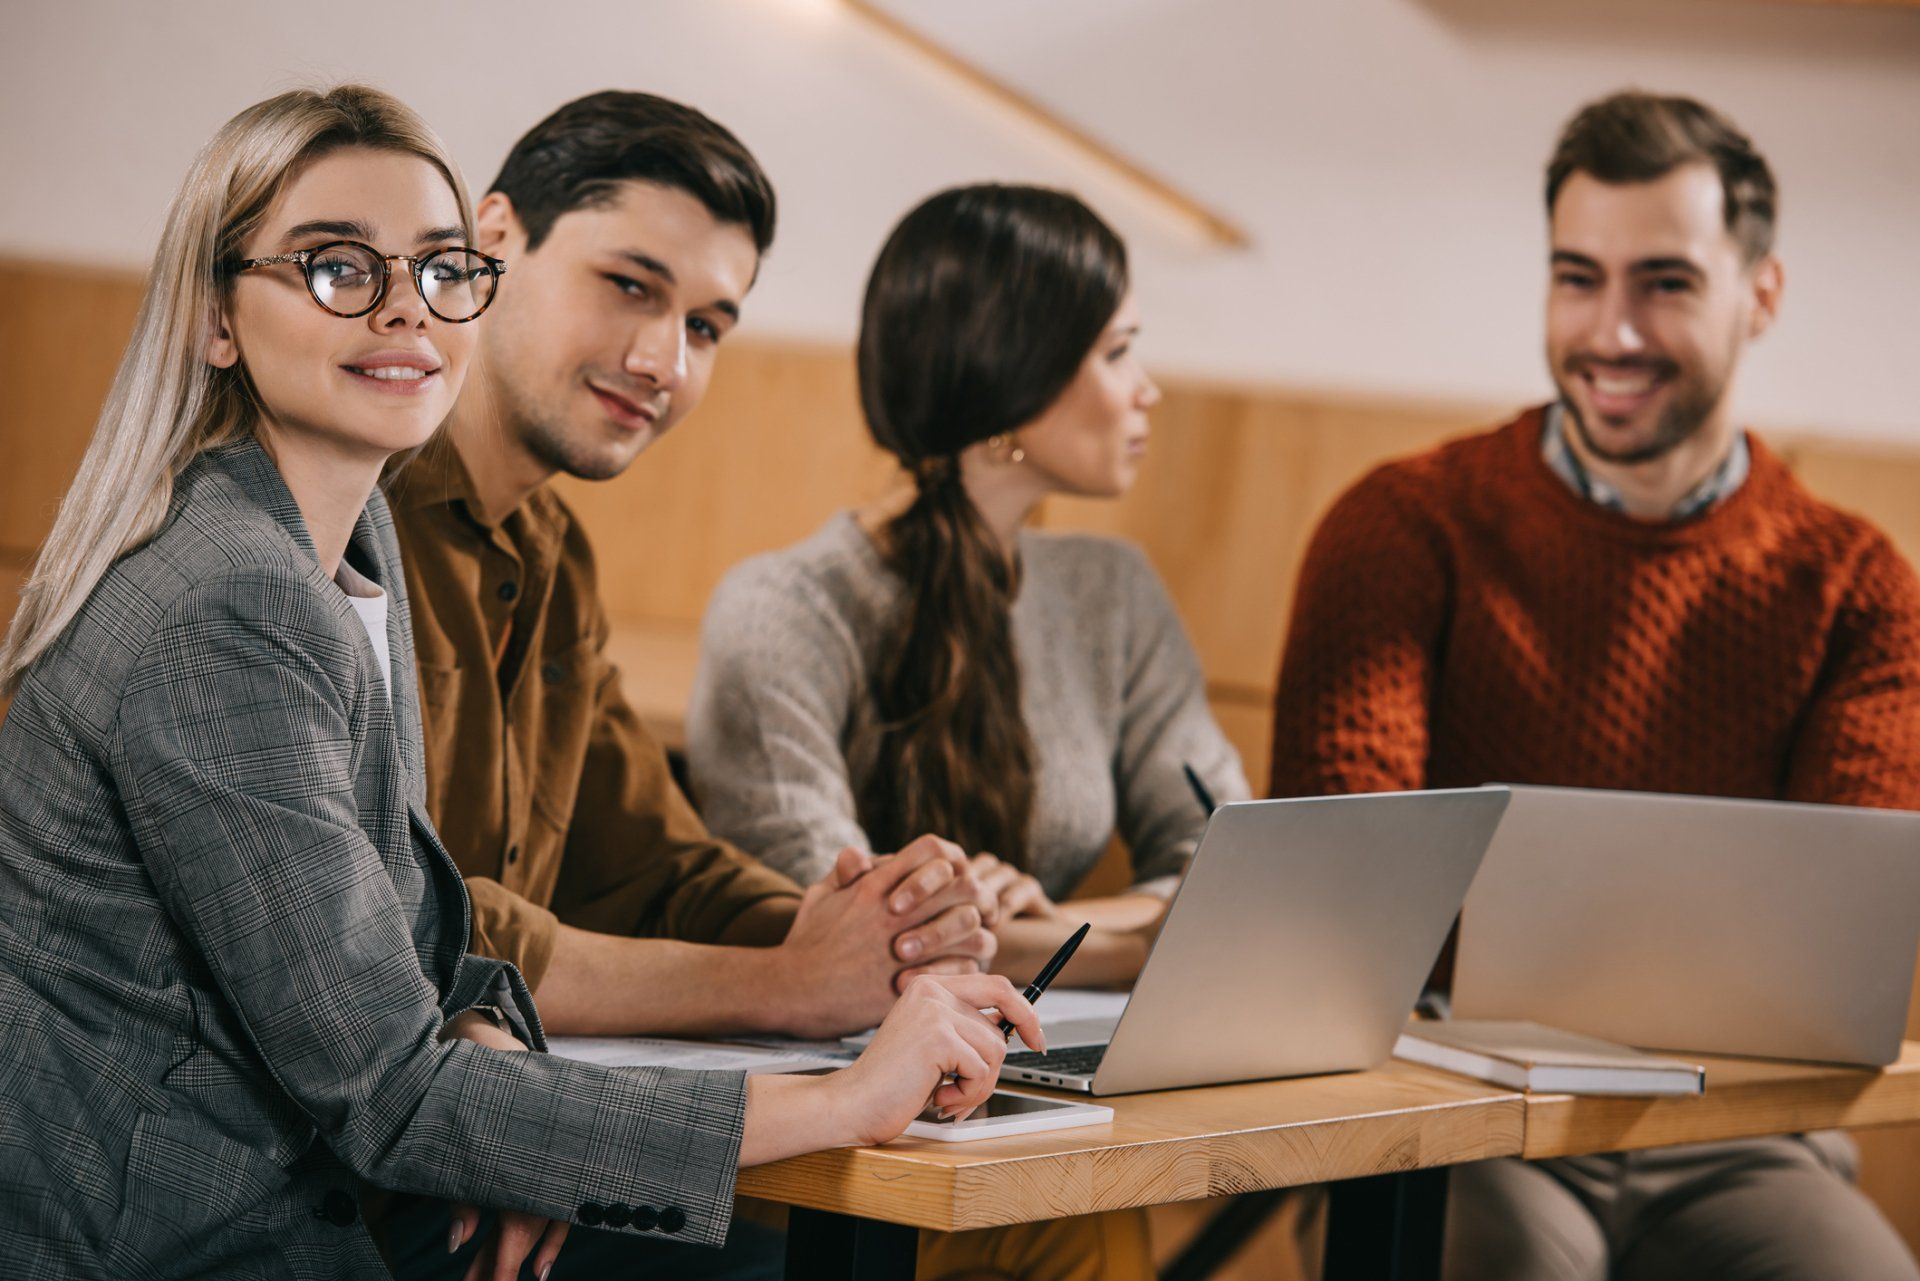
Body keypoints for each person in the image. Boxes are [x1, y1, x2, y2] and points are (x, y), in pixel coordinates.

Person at [0, 84, 1043, 1281]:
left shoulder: (338, 547)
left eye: (436, 271)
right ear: (215, 318)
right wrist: (843, 1098)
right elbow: (393, 1094)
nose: (406, 312)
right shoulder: (231, 598)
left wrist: (487, 1029)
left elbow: (414, 928)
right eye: (339, 267)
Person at [1270, 89, 1920, 1281]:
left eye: (1664, 283)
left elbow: (1840, 950)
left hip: (1739, 1133)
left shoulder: (1859, 586)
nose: (1610, 331)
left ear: (1761, 295)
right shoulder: (1404, 528)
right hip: (1449, 1115)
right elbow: (1335, 903)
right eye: (1578, 277)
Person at [385, 92, 995, 1056]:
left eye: (706, 327)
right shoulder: (346, 518)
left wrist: (869, 932)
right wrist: (789, 983)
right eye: (631, 285)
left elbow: (650, 867)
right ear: (491, 237)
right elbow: (405, 914)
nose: (661, 360)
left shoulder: (552, 551)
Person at [688, 183, 1250, 993]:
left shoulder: (1114, 591)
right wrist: (1124, 947)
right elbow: (849, 940)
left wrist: (1054, 929)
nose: (1146, 389)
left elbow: (1226, 873)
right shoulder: (781, 612)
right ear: (1013, 382)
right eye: (1118, 352)